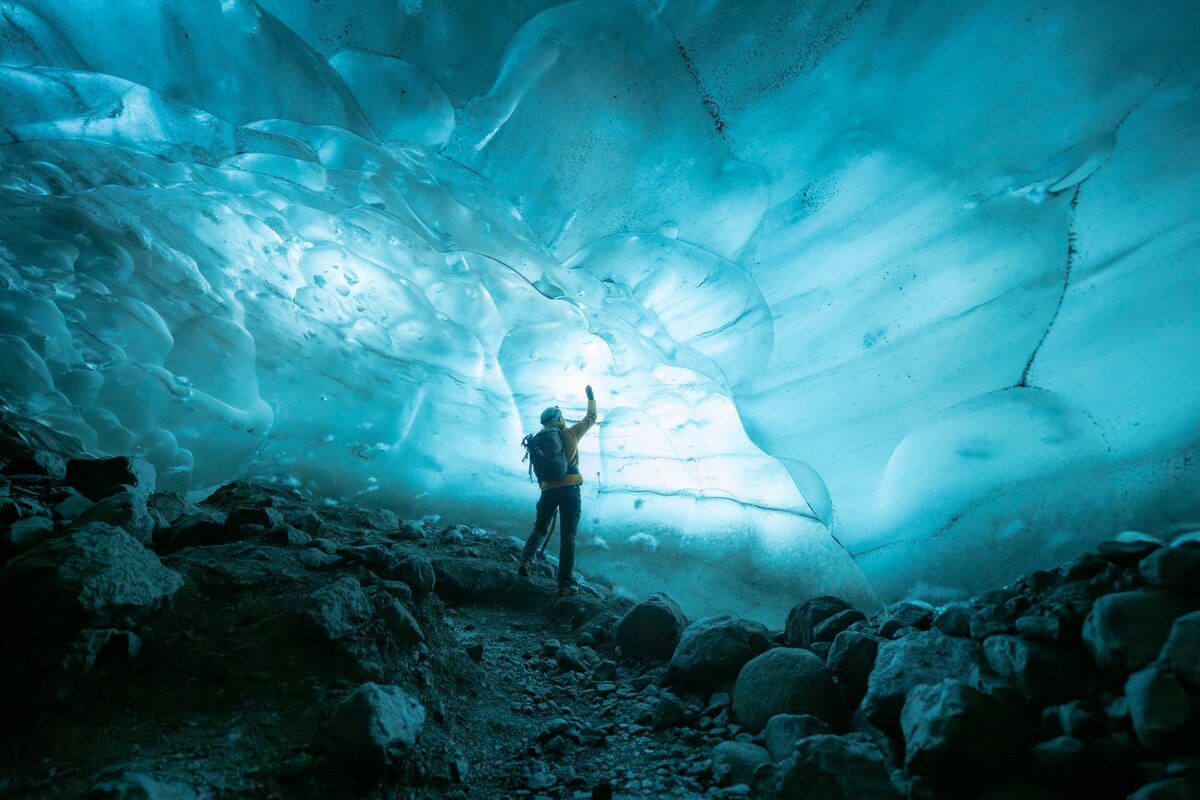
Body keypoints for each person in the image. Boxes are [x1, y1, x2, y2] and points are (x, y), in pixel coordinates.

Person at [518, 385, 598, 595]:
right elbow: (592, 416)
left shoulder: (539, 439)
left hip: (548, 491)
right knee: (568, 536)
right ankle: (564, 584)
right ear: (560, 418)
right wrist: (590, 397)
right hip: (570, 489)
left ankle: (525, 562)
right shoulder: (570, 434)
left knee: (540, 528)